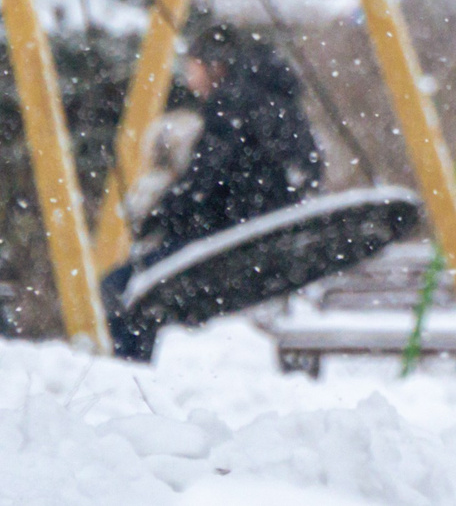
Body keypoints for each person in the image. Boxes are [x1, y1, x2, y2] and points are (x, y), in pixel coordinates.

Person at [105, 22, 326, 360]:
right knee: (140, 289)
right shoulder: (281, 102)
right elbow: (305, 171)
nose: (187, 78)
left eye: (191, 67)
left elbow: (204, 184)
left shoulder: (231, 106)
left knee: (120, 287)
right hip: (266, 240)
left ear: (215, 65)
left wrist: (159, 218)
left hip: (225, 245)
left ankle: (129, 371)